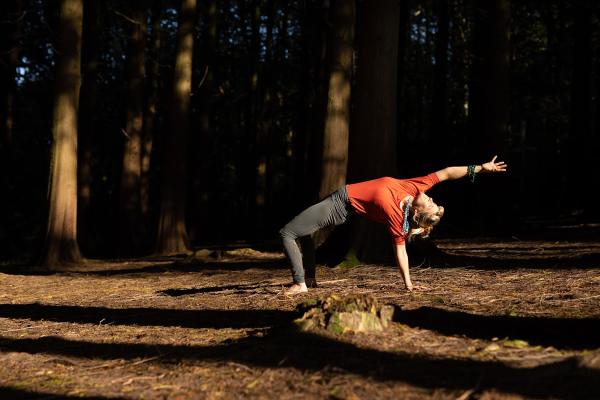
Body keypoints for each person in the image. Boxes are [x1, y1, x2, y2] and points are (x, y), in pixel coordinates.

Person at [279, 156, 508, 295]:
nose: (429, 197)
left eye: (429, 202)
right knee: (305, 233)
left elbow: (401, 251)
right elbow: (447, 173)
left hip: (338, 205)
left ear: (418, 212)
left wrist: (408, 285)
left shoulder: (397, 216)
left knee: (287, 232)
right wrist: (480, 168)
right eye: (431, 199)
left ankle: (299, 284)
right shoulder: (414, 188)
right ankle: (308, 279)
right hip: (340, 201)